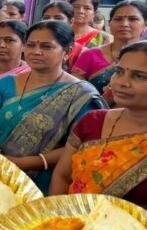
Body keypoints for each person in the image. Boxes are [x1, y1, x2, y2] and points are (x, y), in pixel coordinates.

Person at [0, 21, 105, 193]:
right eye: (30, 45)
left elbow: (82, 147)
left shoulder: (81, 95)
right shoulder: (7, 83)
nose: (36, 52)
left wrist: (27, 163)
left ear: (67, 52)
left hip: (46, 181)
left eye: (46, 46)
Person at [50, 41, 147, 205]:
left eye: (140, 76)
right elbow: (62, 176)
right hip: (70, 223)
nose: (123, 82)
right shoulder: (93, 121)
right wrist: (56, 218)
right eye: (119, 71)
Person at [72, 0, 147, 94]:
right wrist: (107, 99)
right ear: (109, 23)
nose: (124, 24)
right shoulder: (89, 55)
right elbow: (76, 95)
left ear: (145, 25)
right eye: (118, 19)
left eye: (133, 19)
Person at [42, 1, 85, 70]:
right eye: (46, 18)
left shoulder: (81, 52)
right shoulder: (32, 45)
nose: (51, 21)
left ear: (71, 21)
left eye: (58, 18)